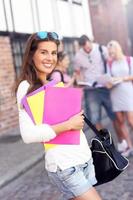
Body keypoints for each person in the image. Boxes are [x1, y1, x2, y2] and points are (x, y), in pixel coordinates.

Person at [15, 31, 102, 200]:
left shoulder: (54, 83)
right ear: (32, 54)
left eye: (53, 53)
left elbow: (66, 122)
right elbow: (28, 135)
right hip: (66, 166)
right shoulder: (26, 87)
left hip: (83, 159)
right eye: (43, 52)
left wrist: (76, 118)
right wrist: (69, 124)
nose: (50, 58)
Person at [73, 35, 117, 132]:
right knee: (94, 118)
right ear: (81, 47)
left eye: (88, 46)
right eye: (84, 48)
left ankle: (122, 142)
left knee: (116, 115)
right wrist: (80, 82)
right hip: (90, 90)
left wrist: (111, 79)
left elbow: (111, 63)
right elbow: (77, 72)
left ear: (90, 41)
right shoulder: (78, 56)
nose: (87, 49)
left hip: (105, 86)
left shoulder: (101, 49)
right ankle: (104, 143)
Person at [107, 40, 133, 157]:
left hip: (127, 92)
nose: (111, 54)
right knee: (121, 122)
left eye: (112, 52)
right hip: (115, 93)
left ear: (118, 49)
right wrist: (109, 82)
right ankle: (129, 146)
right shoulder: (110, 63)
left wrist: (122, 78)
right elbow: (109, 78)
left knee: (131, 121)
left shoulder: (129, 60)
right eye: (109, 52)